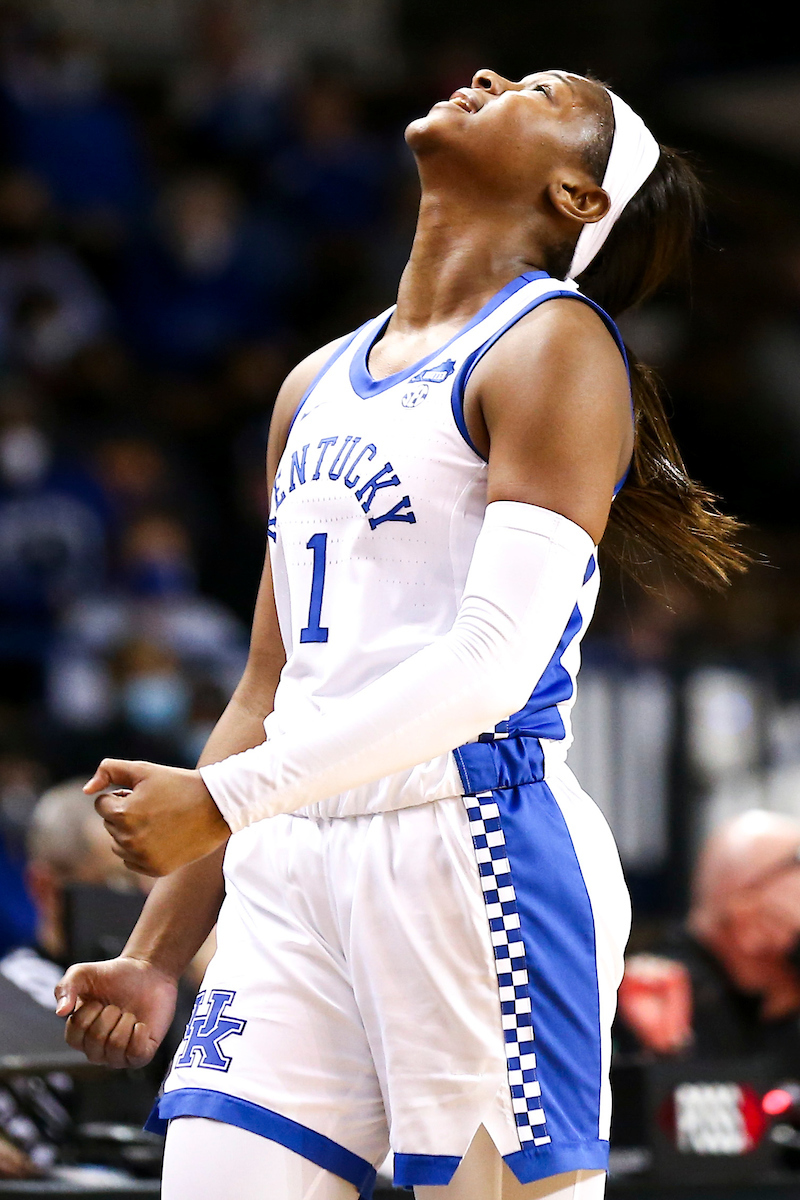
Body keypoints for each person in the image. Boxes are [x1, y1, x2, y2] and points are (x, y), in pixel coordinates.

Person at [55, 69, 746, 1200]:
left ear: (577, 197)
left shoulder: (555, 345)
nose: (485, 79)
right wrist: (152, 955)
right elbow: (265, 690)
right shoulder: (311, 383)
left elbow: (488, 665)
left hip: (470, 854)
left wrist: (222, 801)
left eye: (539, 89)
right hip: (292, 861)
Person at [618, 810, 800, 1063]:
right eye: (797, 861)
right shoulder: (655, 994)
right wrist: (665, 1050)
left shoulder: (779, 997)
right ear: (744, 902)